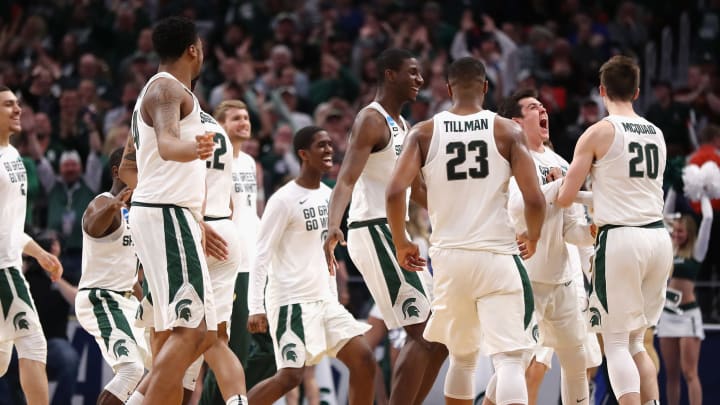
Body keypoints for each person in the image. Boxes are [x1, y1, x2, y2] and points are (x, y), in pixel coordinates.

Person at [386, 57, 546, 405]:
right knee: (508, 360)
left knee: (462, 357)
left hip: (449, 259)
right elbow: (535, 199)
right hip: (496, 256)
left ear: (447, 89)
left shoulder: (424, 132)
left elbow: (395, 191)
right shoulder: (507, 130)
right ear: (486, 88)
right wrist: (532, 235)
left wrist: (401, 241)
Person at [323, 47, 446, 405]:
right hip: (373, 229)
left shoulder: (403, 126)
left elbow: (417, 189)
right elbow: (345, 179)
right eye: (412, 72)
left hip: (393, 232)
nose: (420, 80)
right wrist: (333, 225)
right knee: (423, 333)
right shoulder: (371, 120)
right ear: (390, 74)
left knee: (438, 338)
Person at [557, 55, 673, 405]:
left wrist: (568, 187)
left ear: (601, 90)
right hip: (658, 237)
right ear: (637, 91)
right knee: (638, 341)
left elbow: (564, 197)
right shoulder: (657, 133)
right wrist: (603, 195)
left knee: (617, 342)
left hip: (622, 239)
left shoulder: (599, 132)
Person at [122, 16, 219, 405]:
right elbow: (166, 143)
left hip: (169, 215)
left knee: (202, 332)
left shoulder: (159, 89)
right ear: (193, 49)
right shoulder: (166, 88)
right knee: (191, 331)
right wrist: (192, 149)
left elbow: (132, 162)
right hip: (166, 214)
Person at [247, 126, 376, 405]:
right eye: (321, 145)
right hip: (291, 303)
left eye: (331, 143)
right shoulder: (282, 200)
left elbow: (326, 253)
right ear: (303, 154)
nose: (329, 149)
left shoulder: (330, 196)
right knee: (290, 377)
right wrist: (255, 307)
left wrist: (333, 294)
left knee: (365, 360)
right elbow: (260, 255)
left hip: (324, 302)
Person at [498, 88, 595, 405]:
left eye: (543, 106)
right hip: (525, 279)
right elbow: (516, 209)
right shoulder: (510, 157)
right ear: (516, 121)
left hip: (562, 281)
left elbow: (572, 229)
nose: (544, 110)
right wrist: (556, 186)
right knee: (514, 367)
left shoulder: (562, 163)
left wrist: (594, 230)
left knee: (575, 361)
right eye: (533, 107)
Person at [0, 85, 64, 405]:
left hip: (11, 265)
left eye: (18, 104)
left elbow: (9, 226)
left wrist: (38, 253)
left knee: (1, 362)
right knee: (33, 345)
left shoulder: (13, 156)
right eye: (8, 105)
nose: (17, 110)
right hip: (2, 270)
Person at [200, 100, 265, 404]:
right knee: (229, 345)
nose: (243, 122)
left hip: (253, 261)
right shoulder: (213, 160)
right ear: (220, 125)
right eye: (235, 118)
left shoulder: (251, 163)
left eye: (246, 117)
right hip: (227, 260)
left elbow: (253, 211)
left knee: (259, 349)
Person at [74, 147, 148, 405]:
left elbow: (131, 275)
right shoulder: (103, 202)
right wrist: (114, 206)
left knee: (163, 366)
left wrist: (147, 305)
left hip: (127, 300)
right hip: (101, 297)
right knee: (131, 370)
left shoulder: (137, 212)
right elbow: (92, 225)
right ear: (118, 171)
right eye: (138, 167)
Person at [657, 192, 712, 405]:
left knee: (689, 372)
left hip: (688, 315)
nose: (677, 234)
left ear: (689, 232)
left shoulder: (697, 252)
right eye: (674, 230)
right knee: (671, 375)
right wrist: (674, 188)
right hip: (668, 316)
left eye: (681, 231)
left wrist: (703, 192)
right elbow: (665, 216)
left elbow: (707, 219)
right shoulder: (668, 249)